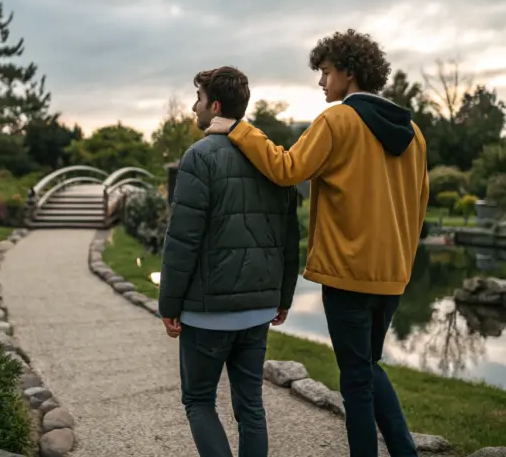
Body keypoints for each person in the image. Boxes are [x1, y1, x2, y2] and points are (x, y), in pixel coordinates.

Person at [206, 30, 429, 457]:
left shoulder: (337, 121)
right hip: (393, 275)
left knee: (355, 381)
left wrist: (238, 129)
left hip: (347, 273)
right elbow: (419, 206)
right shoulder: (415, 134)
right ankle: (405, 452)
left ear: (348, 71)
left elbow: (287, 168)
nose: (321, 82)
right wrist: (401, 260)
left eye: (325, 72)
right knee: (366, 366)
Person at [158, 66, 300, 457]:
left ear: (215, 105)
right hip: (257, 312)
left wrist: (169, 305)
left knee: (199, 401)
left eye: (199, 100)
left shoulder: (199, 157)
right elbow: (290, 239)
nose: (193, 108)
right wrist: (283, 297)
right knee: (250, 406)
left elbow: (183, 240)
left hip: (208, 313)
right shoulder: (274, 158)